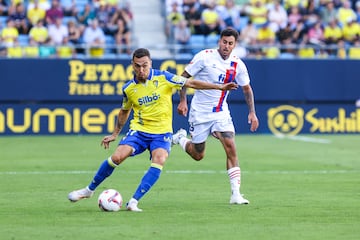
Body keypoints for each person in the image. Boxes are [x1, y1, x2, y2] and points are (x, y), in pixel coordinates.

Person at [68, 48, 238, 212]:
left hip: (162, 133)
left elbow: (190, 82)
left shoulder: (164, 77)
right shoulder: (129, 88)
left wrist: (219, 87)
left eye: (145, 65)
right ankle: (88, 190)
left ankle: (133, 202)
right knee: (116, 157)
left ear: (150, 63)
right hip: (139, 131)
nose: (141, 69)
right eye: (137, 66)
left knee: (159, 159)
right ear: (132, 65)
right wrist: (114, 134)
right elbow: (124, 111)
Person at [172, 27, 259, 205]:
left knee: (230, 146)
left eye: (230, 43)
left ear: (235, 45)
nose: (226, 46)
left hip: (221, 112)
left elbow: (247, 89)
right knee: (198, 155)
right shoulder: (204, 57)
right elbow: (183, 78)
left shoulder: (238, 64)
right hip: (200, 112)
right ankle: (180, 138)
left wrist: (252, 112)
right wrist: (183, 101)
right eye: (224, 42)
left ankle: (236, 194)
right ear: (219, 41)